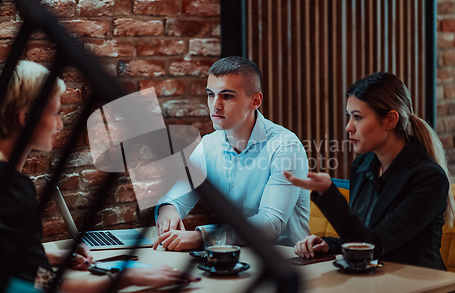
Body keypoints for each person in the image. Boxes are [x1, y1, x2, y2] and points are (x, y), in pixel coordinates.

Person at [0, 61, 199, 293]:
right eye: (56, 113)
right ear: (26, 119)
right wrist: (127, 277)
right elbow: (46, 290)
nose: (60, 124)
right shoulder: (9, 188)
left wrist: (54, 258)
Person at [285, 72, 455, 273]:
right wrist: (329, 244)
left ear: (390, 120)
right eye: (349, 117)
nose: (348, 127)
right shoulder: (363, 165)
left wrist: (328, 192)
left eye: (357, 117)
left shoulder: (429, 178)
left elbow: (374, 247)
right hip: (374, 281)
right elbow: (363, 236)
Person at [153, 56, 310, 251]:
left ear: (255, 100)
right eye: (211, 95)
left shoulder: (285, 147)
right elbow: (176, 198)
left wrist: (203, 237)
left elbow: (271, 224)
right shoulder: (209, 144)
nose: (215, 105)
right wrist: (169, 211)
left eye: (227, 96)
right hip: (230, 260)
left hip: (285, 263)